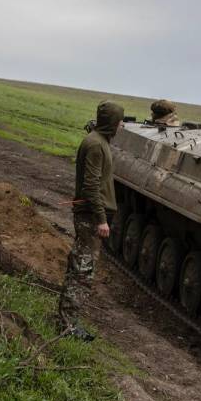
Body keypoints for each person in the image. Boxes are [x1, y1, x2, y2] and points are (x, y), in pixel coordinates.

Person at [56, 100, 123, 340]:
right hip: (90, 216)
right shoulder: (96, 145)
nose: (122, 125)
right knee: (83, 270)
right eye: (120, 121)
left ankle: (67, 321)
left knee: (81, 267)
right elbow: (91, 185)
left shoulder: (98, 141)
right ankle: (68, 327)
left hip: (89, 214)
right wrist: (102, 219)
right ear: (113, 123)